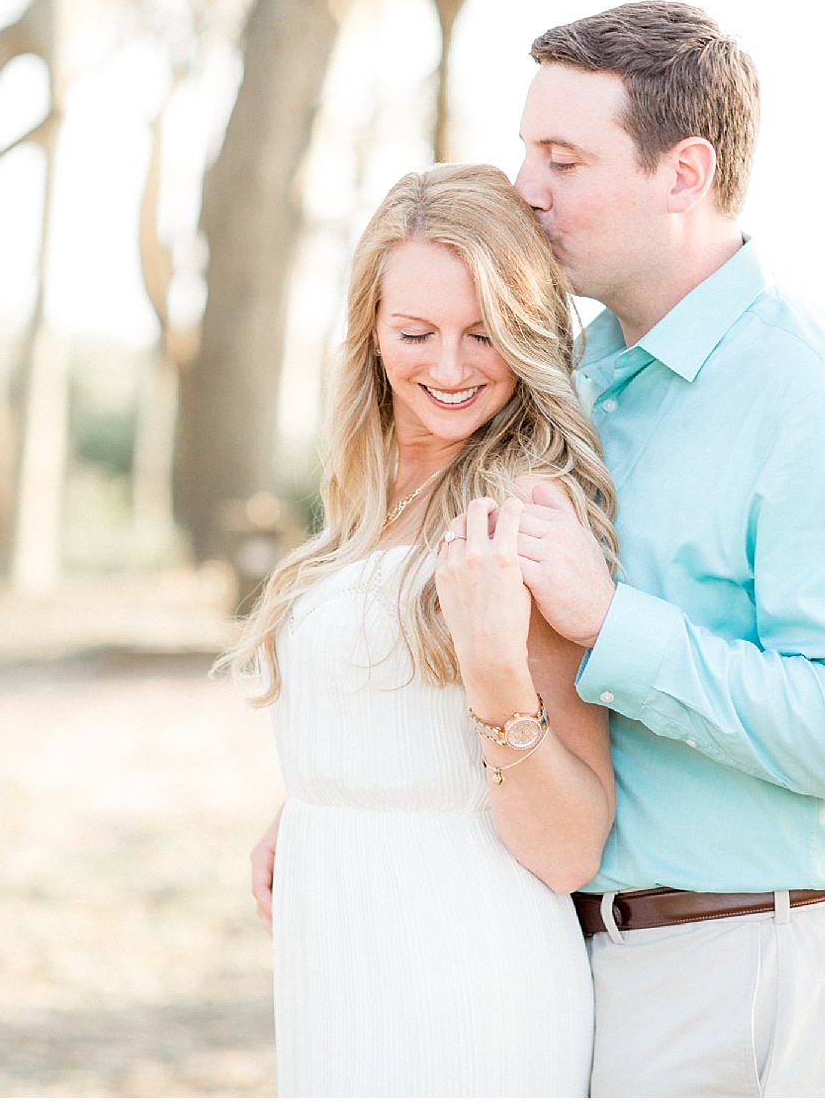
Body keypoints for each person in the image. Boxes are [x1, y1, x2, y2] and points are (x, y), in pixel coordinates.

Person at [496, 1, 825, 1096]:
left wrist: (615, 626)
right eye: (526, 151)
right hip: (595, 966)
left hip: (766, 976)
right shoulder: (580, 385)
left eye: (563, 157)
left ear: (684, 172)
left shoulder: (818, 401)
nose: (525, 188)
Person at [226, 163, 619, 1096]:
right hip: (339, 958)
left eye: (484, 334)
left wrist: (492, 663)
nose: (448, 368)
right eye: (416, 332)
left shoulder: (524, 508)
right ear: (369, 330)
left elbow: (570, 844)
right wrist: (316, 799)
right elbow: (398, 710)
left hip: (461, 974)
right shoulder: (369, 495)